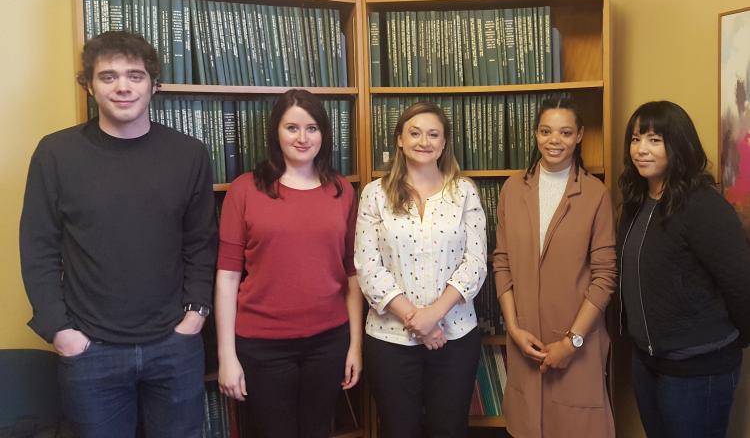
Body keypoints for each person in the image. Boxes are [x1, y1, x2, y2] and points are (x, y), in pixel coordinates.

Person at [19, 31, 217, 437]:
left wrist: (196, 314)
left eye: (135, 75)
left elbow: (201, 241)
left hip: (174, 346)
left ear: (154, 84)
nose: (123, 86)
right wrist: (60, 330)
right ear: (89, 86)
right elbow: (38, 247)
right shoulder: (55, 154)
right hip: (90, 350)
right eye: (108, 76)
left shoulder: (189, 154)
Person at [215, 89, 362, 438]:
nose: (302, 137)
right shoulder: (245, 190)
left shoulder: (342, 190)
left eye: (312, 128)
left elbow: (353, 274)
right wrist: (227, 356)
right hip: (262, 346)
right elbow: (227, 276)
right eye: (292, 127)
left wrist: (354, 345)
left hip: (328, 343)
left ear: (324, 134)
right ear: (275, 132)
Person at [618, 100, 750, 438]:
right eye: (635, 139)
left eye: (654, 140)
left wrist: (727, 345)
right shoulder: (635, 202)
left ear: (678, 145)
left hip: (698, 368)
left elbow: (740, 284)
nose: (641, 150)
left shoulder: (703, 206)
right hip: (648, 362)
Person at [355, 101, 487, 438]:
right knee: (398, 430)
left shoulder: (464, 192)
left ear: (444, 143)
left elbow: (475, 263)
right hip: (389, 339)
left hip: (455, 336)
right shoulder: (374, 194)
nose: (423, 141)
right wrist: (418, 321)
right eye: (415, 133)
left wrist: (435, 315)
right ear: (400, 139)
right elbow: (368, 267)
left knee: (450, 429)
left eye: (433, 135)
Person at [493, 95, 617, 438]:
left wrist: (571, 342)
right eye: (546, 131)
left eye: (564, 133)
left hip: (577, 345)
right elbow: (502, 262)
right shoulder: (512, 189)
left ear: (579, 136)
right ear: (536, 134)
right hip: (525, 342)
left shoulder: (595, 194)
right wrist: (513, 328)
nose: (554, 141)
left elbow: (604, 277)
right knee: (526, 427)